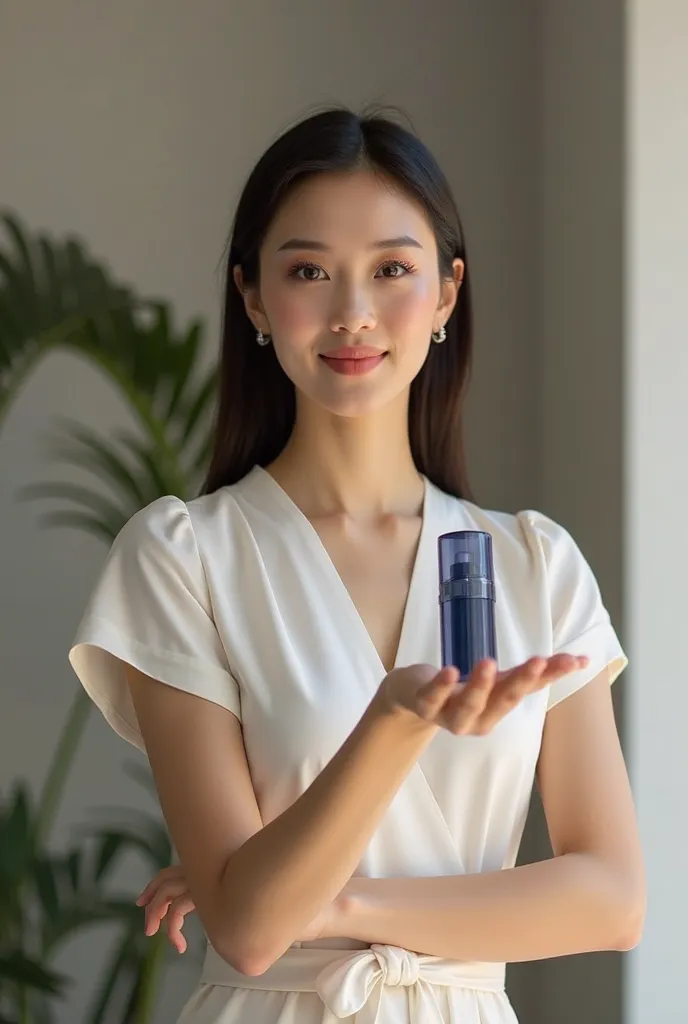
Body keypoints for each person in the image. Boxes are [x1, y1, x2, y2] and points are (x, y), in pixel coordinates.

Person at [69, 106, 645, 1024]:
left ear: (448, 294)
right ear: (254, 297)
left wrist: (339, 906)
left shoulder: (537, 564)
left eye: (392, 270)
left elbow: (613, 899)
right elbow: (254, 932)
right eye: (307, 271)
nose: (352, 313)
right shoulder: (184, 557)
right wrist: (394, 723)